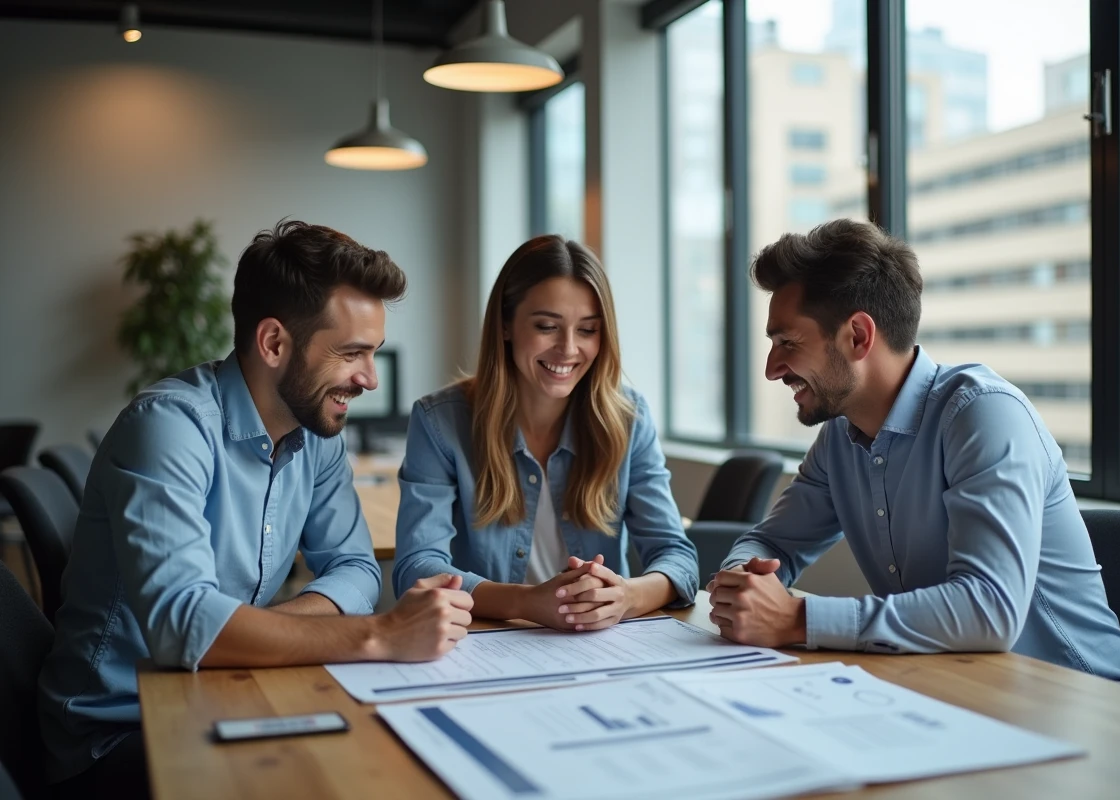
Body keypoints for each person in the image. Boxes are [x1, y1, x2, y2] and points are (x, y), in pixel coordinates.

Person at [39, 221, 473, 796]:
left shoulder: (318, 437)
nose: (369, 378)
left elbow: (359, 572)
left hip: (220, 688)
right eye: (352, 353)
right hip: (117, 729)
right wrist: (379, 636)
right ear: (273, 343)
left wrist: (250, 632)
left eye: (374, 355)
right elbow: (184, 628)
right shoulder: (170, 427)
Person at [708, 219, 1120, 686]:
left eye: (787, 343)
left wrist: (798, 617)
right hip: (956, 692)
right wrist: (745, 584)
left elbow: (988, 608)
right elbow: (773, 544)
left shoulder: (984, 415)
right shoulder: (840, 437)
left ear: (858, 335)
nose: (773, 369)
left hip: (1083, 701)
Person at [393, 234, 698, 631]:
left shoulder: (629, 418)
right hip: (484, 643)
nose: (568, 349)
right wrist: (527, 602)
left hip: (599, 646)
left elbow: (677, 556)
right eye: (546, 326)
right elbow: (418, 570)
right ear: (505, 325)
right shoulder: (440, 423)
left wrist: (626, 596)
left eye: (587, 330)